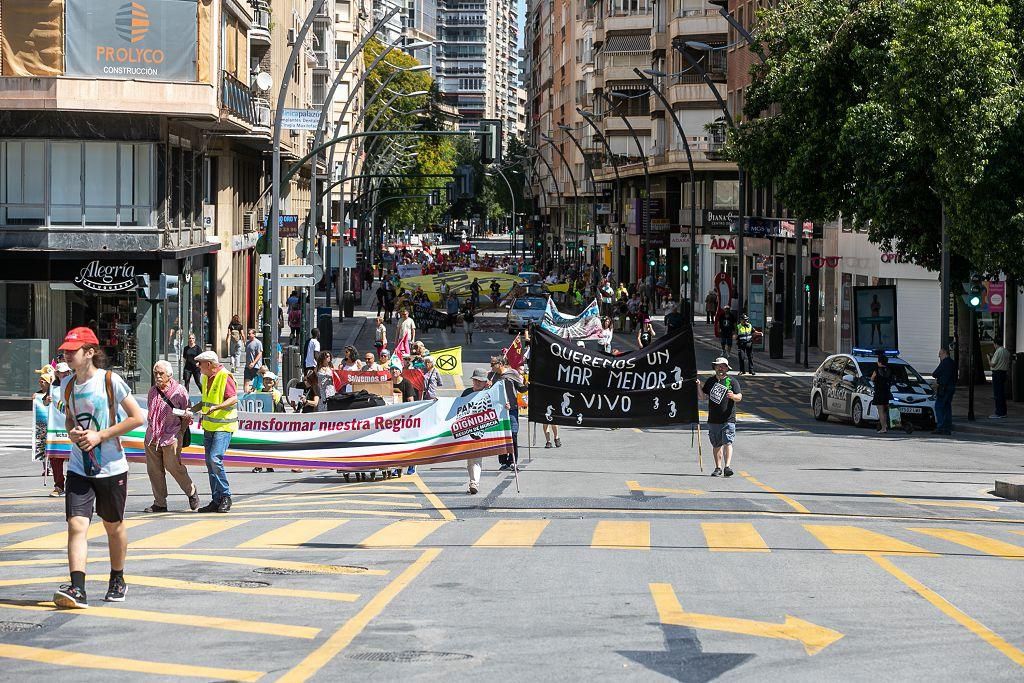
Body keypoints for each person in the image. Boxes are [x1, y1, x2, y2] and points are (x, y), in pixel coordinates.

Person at [52, 326, 145, 609]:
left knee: (112, 526)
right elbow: (69, 418)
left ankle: (117, 578)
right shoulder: (67, 385)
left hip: (111, 467)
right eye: (65, 350)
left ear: (90, 352)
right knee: (76, 525)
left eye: (72, 351)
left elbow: (137, 418)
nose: (67, 355)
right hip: (80, 467)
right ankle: (77, 588)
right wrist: (73, 432)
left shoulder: (110, 381)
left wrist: (100, 435)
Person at [145, 361, 200, 513]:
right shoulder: (152, 391)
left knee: (173, 467)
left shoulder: (179, 391)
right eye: (155, 373)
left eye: (160, 373)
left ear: (169, 375)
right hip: (153, 436)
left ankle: (191, 491)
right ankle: (160, 503)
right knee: (154, 470)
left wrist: (180, 433)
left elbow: (187, 414)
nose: (157, 376)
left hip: (171, 435)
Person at [192, 350, 238, 513]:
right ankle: (216, 499)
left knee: (214, 459)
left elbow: (233, 398)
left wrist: (216, 408)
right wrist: (191, 409)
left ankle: (226, 496)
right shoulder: (205, 377)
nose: (198, 366)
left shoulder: (225, 376)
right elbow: (206, 400)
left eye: (201, 363)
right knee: (210, 464)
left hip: (223, 426)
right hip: (210, 426)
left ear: (210, 364)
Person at [695, 357, 742, 477]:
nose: (720, 368)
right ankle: (718, 467)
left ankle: (727, 467)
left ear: (727, 368)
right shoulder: (711, 381)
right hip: (714, 419)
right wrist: (699, 386)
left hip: (728, 418)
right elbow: (703, 397)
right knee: (716, 445)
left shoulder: (732, 381)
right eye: (718, 366)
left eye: (723, 366)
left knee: (728, 442)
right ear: (715, 367)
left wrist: (733, 396)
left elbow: (739, 397)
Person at [490, 355, 526, 471]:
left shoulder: (512, 373)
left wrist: (527, 385)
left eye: (493, 364)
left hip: (512, 409)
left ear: (500, 364)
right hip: (498, 410)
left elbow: (521, 389)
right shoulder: (492, 376)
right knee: (501, 435)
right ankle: (503, 460)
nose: (491, 367)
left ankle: (513, 460)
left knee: (513, 434)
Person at [460, 368, 491, 494]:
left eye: (480, 381)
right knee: (470, 459)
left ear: (485, 382)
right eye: (475, 380)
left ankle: (474, 483)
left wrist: (505, 406)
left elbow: (497, 406)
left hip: (482, 430)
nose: (477, 383)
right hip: (467, 429)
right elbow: (457, 407)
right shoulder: (466, 392)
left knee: (476, 458)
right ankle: (473, 481)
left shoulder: (490, 393)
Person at [932, 347, 957, 435]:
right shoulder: (952, 363)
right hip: (951, 388)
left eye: (940, 354)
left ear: (944, 353)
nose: (939, 356)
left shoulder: (944, 363)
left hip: (943, 388)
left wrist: (938, 381)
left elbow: (935, 373)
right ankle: (947, 428)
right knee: (947, 407)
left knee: (939, 407)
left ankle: (941, 427)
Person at [870, 354, 894, 434]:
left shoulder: (877, 370)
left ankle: (883, 428)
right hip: (887, 391)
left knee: (880, 410)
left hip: (879, 392)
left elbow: (872, 378)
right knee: (885, 410)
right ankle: (885, 425)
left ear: (880, 362)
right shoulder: (889, 370)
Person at [989, 338, 1010, 419]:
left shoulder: (998, 351)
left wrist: (988, 358)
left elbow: (992, 364)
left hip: (997, 373)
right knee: (1002, 393)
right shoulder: (1006, 351)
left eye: (994, 344)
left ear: (995, 344)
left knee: (997, 393)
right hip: (1003, 373)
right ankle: (1003, 412)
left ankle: (999, 412)